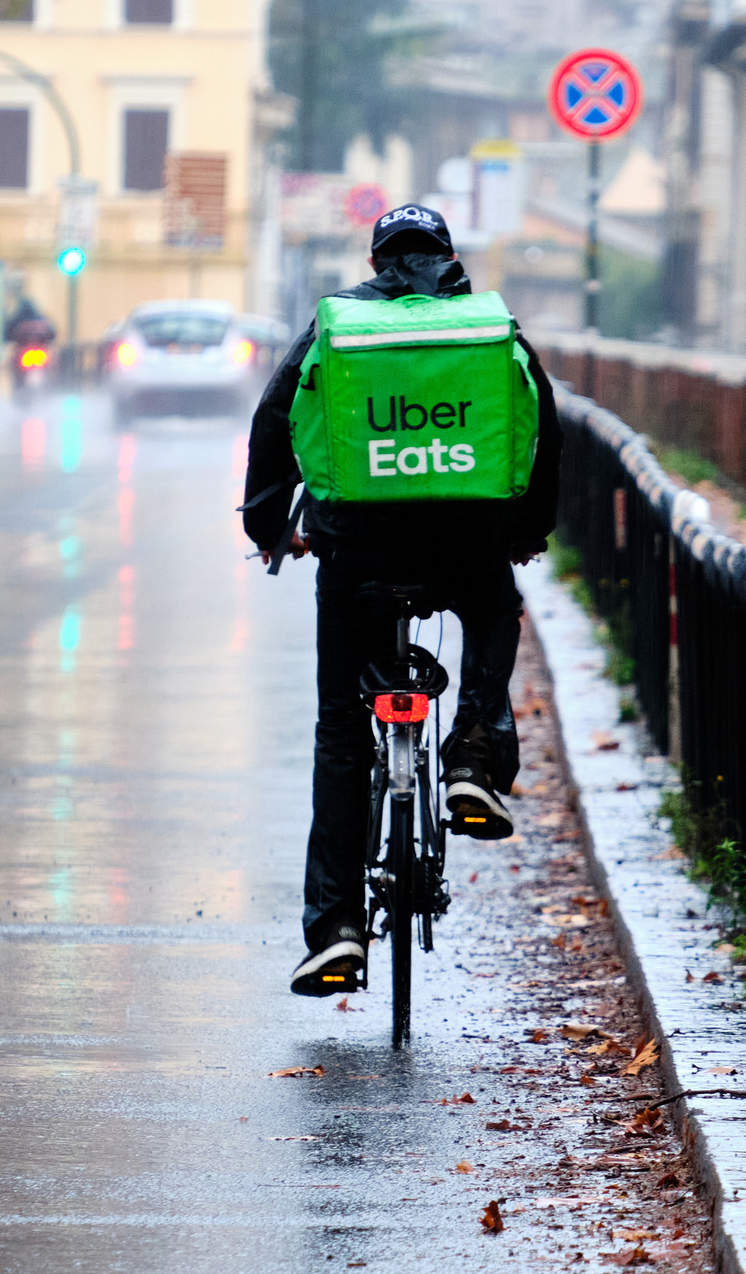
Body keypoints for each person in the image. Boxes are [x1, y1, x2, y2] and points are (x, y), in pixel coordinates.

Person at [241, 204, 562, 996]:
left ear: (376, 262)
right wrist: (525, 528)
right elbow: (542, 429)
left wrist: (272, 527)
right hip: (466, 545)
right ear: (447, 256)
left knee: (341, 733)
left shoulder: (337, 327)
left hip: (355, 551)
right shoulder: (487, 329)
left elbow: (275, 421)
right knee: (494, 607)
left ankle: (336, 931)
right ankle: (471, 757)